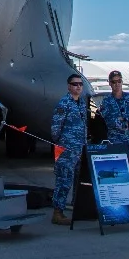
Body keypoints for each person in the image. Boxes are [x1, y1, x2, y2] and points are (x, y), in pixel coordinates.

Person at [98, 69, 129, 205]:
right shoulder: (106, 101)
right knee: (118, 172)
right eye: (114, 82)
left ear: (122, 82)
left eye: (119, 81)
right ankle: (121, 202)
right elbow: (110, 121)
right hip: (115, 141)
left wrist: (127, 123)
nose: (117, 84)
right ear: (109, 83)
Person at [49, 73, 89, 225]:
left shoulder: (81, 103)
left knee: (78, 180)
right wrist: (62, 144)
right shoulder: (64, 103)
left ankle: (76, 208)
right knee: (63, 180)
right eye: (74, 84)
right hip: (67, 149)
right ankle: (57, 212)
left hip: (79, 148)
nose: (78, 86)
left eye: (80, 84)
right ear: (69, 86)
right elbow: (55, 128)